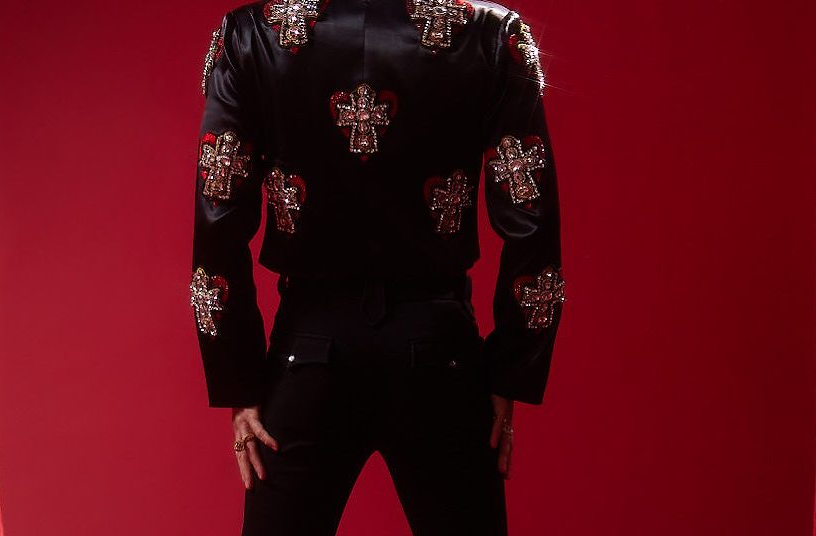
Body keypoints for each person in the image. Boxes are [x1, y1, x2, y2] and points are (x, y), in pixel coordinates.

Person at [189, 0, 565, 533]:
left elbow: (219, 216)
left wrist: (239, 381)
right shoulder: (489, 33)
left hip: (308, 349)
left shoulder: (253, 34)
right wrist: (511, 369)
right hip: (438, 350)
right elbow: (531, 219)